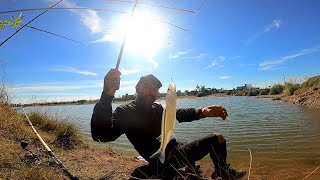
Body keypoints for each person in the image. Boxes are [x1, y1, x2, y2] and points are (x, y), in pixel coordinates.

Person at [91, 69, 246, 180]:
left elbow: (178, 114)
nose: (151, 91)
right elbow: (101, 135)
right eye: (146, 87)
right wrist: (107, 94)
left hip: (179, 150)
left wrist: (202, 111)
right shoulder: (126, 111)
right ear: (137, 88)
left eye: (155, 89)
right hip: (162, 160)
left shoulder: (157, 107)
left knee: (218, 138)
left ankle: (222, 171)